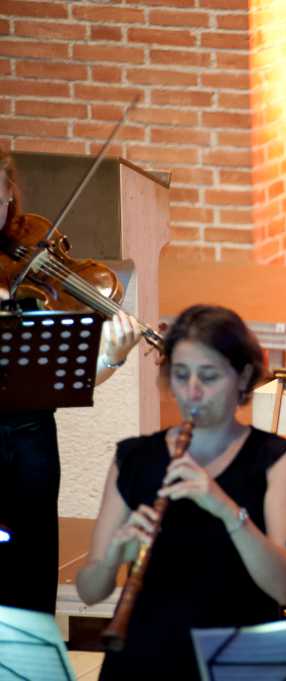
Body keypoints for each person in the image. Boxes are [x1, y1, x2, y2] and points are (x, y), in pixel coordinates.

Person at [76, 305, 286, 680]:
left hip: (234, 661)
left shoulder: (275, 459)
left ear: (244, 376)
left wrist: (225, 507)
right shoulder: (134, 457)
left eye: (209, 376)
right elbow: (89, 591)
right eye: (181, 375)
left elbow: (284, 588)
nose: (192, 391)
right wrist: (113, 556)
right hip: (143, 658)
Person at [0, 148, 143, 614]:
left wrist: (111, 357)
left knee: (31, 572)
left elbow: (60, 379)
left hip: (30, 442)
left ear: (9, 196)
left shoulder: (28, 262)